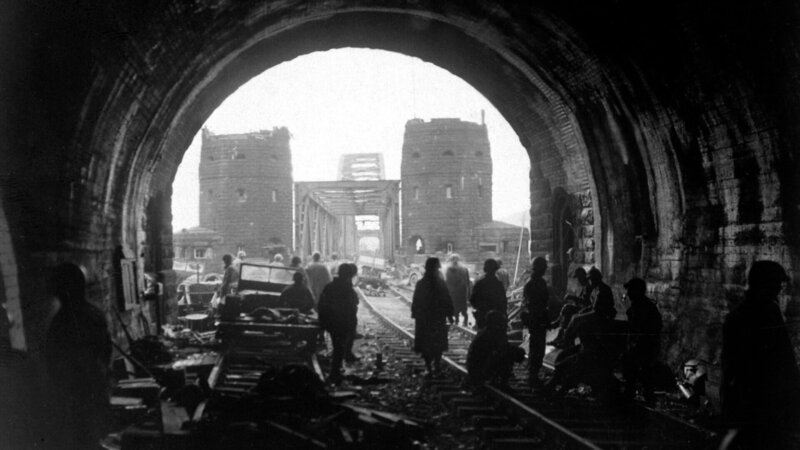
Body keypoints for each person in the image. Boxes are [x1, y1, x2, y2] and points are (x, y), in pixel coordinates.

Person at [720, 261, 800, 449]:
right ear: (764, 284)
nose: (779, 289)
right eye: (775, 285)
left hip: (751, 404)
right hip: (761, 404)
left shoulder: (739, 315)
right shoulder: (764, 313)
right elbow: (783, 360)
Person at [45, 263, 112, 450]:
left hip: (77, 399)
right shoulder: (94, 314)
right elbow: (105, 354)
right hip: (95, 393)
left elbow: (57, 364)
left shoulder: (63, 322)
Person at [542, 292, 618, 400]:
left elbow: (580, 343)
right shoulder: (600, 320)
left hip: (593, 357)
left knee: (572, 367)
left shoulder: (592, 321)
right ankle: (554, 389)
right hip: (591, 354)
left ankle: (556, 391)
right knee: (566, 362)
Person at [412, 257, 455, 378]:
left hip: (425, 319)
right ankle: (436, 365)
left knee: (426, 342)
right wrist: (450, 315)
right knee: (437, 343)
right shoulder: (441, 284)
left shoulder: (421, 283)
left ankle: (429, 367)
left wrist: (416, 315)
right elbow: (447, 299)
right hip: (437, 318)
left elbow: (416, 301)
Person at [621, 277, 662, 403]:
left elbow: (644, 328)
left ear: (636, 291)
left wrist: (635, 344)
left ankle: (643, 398)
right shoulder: (641, 306)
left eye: (630, 290)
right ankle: (637, 395)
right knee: (638, 372)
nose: (627, 294)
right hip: (642, 346)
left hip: (644, 346)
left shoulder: (643, 307)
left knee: (642, 372)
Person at [317, 263, 360, 383]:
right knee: (339, 348)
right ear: (348, 275)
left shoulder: (329, 286)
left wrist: (323, 322)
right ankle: (334, 373)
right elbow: (352, 308)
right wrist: (352, 327)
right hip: (342, 323)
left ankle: (336, 371)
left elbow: (321, 305)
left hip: (331, 323)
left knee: (338, 347)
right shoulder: (347, 289)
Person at [466, 310, 525, 389]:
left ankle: (496, 378)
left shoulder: (484, 332)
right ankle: (501, 380)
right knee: (508, 355)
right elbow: (503, 349)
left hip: (476, 368)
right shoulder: (494, 333)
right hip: (481, 369)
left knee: (506, 353)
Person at [521, 256, 550, 385]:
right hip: (536, 318)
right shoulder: (532, 284)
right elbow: (530, 304)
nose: (544, 270)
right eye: (543, 268)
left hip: (538, 318)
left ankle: (534, 373)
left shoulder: (537, 282)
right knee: (536, 347)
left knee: (538, 347)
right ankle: (532, 374)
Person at [469, 259, 507, 329]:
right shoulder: (499, 285)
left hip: (482, 316)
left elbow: (472, 300)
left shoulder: (480, 284)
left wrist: (479, 308)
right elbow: (503, 303)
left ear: (485, 269)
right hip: (496, 318)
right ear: (496, 270)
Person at [445, 254, 471, 326]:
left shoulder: (448, 269)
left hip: (453, 292)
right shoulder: (464, 269)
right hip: (462, 291)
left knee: (455, 306)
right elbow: (467, 281)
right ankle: (465, 320)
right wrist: (468, 293)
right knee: (463, 306)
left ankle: (457, 320)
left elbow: (447, 281)